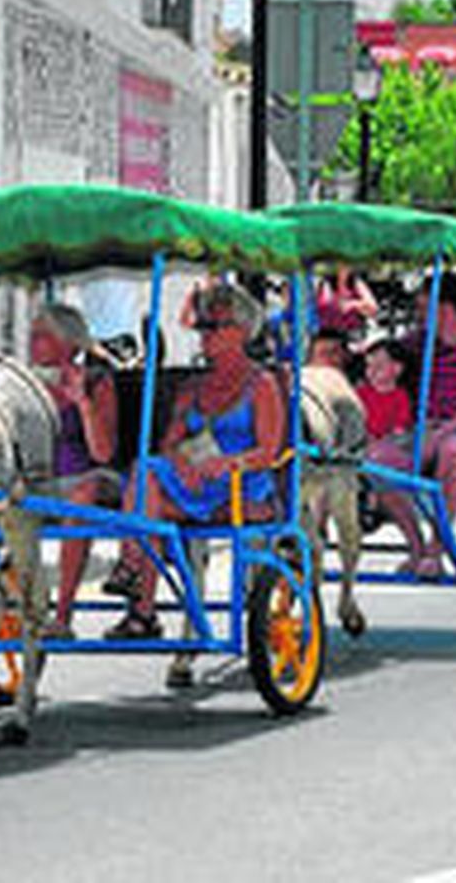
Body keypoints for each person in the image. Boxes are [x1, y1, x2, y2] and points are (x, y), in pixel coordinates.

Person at [104, 282, 286, 677]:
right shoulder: (192, 388)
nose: (204, 334)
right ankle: (141, 601)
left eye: (213, 326)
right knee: (147, 479)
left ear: (240, 331)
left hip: (240, 486)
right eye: (202, 326)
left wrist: (228, 464)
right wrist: (180, 460)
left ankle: (136, 588)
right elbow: (170, 443)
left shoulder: (262, 385)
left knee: (147, 493)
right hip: (194, 486)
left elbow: (269, 452)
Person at [366, 278, 456, 577]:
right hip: (423, 427)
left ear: (444, 308)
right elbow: (381, 355)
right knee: (376, 460)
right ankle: (416, 546)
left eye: (422, 306)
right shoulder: (419, 342)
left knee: (452, 450)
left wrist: (441, 434)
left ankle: (436, 549)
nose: (418, 313)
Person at [29, 304, 120, 640]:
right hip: (37, 482)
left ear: (67, 342)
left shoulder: (96, 381)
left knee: (82, 497)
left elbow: (102, 453)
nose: (31, 342)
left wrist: (82, 403)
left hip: (87, 478)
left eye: (41, 335)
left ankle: (63, 613)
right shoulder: (25, 383)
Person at [358, 337, 413, 442]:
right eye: (369, 365)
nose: (372, 370)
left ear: (397, 369)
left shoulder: (401, 397)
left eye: (379, 365)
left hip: (387, 445)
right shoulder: (360, 393)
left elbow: (400, 427)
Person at [316, 264, 379, 338]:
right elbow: (327, 307)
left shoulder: (355, 281)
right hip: (330, 333)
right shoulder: (325, 283)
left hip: (353, 332)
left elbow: (373, 307)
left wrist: (353, 304)